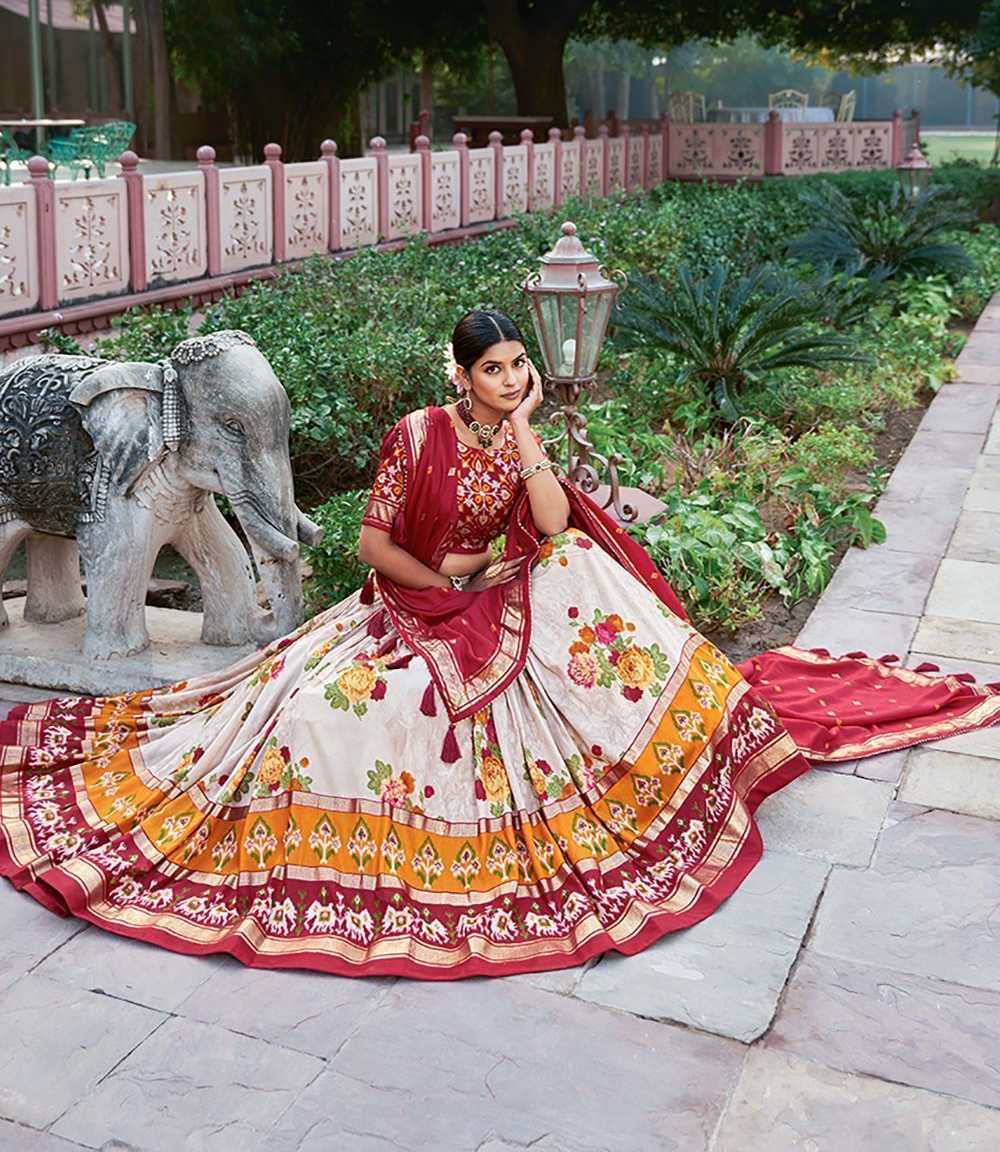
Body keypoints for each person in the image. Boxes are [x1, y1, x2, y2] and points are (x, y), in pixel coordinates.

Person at [1, 309, 997, 981]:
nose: (511, 378)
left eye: (518, 366)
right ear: (459, 374)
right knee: (310, 714)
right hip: (415, 605)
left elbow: (557, 525)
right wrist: (447, 584)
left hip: (511, 598)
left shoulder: (512, 430)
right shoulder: (418, 435)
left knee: (605, 672)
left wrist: (525, 439)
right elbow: (372, 544)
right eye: (494, 369)